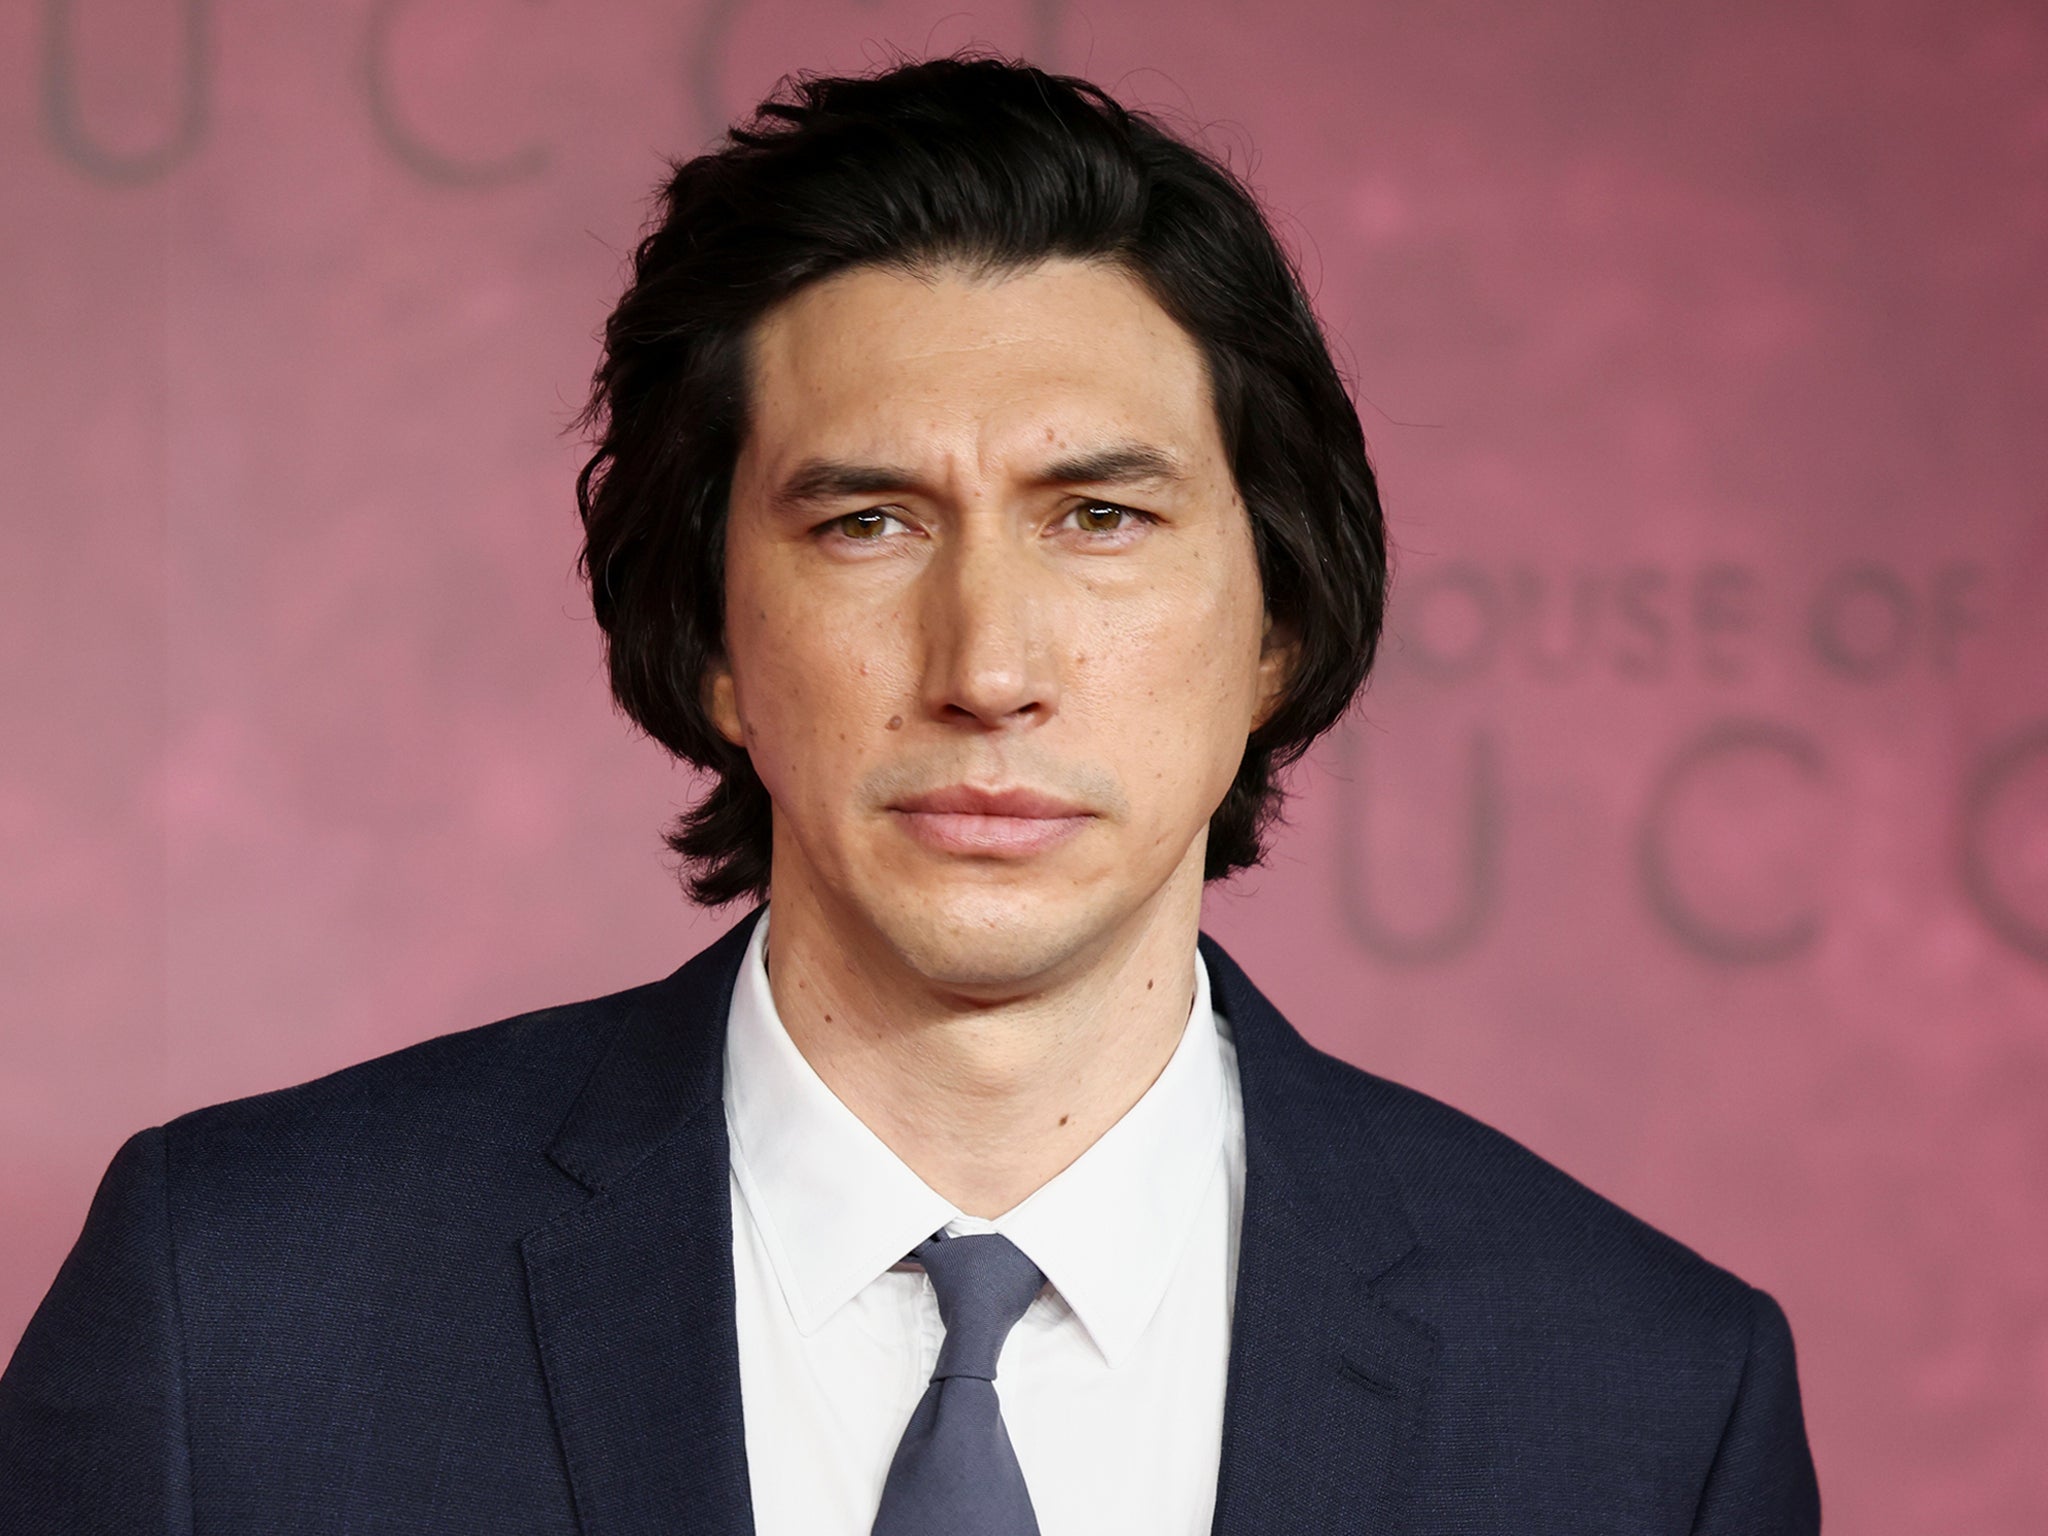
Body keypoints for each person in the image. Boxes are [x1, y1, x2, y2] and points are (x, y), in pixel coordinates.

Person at [0, 53, 1819, 1535]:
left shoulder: (1645, 1400)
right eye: (868, 522)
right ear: (711, 636)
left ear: (1279, 626)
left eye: (1099, 518)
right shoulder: (231, 1308)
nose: (988, 663)